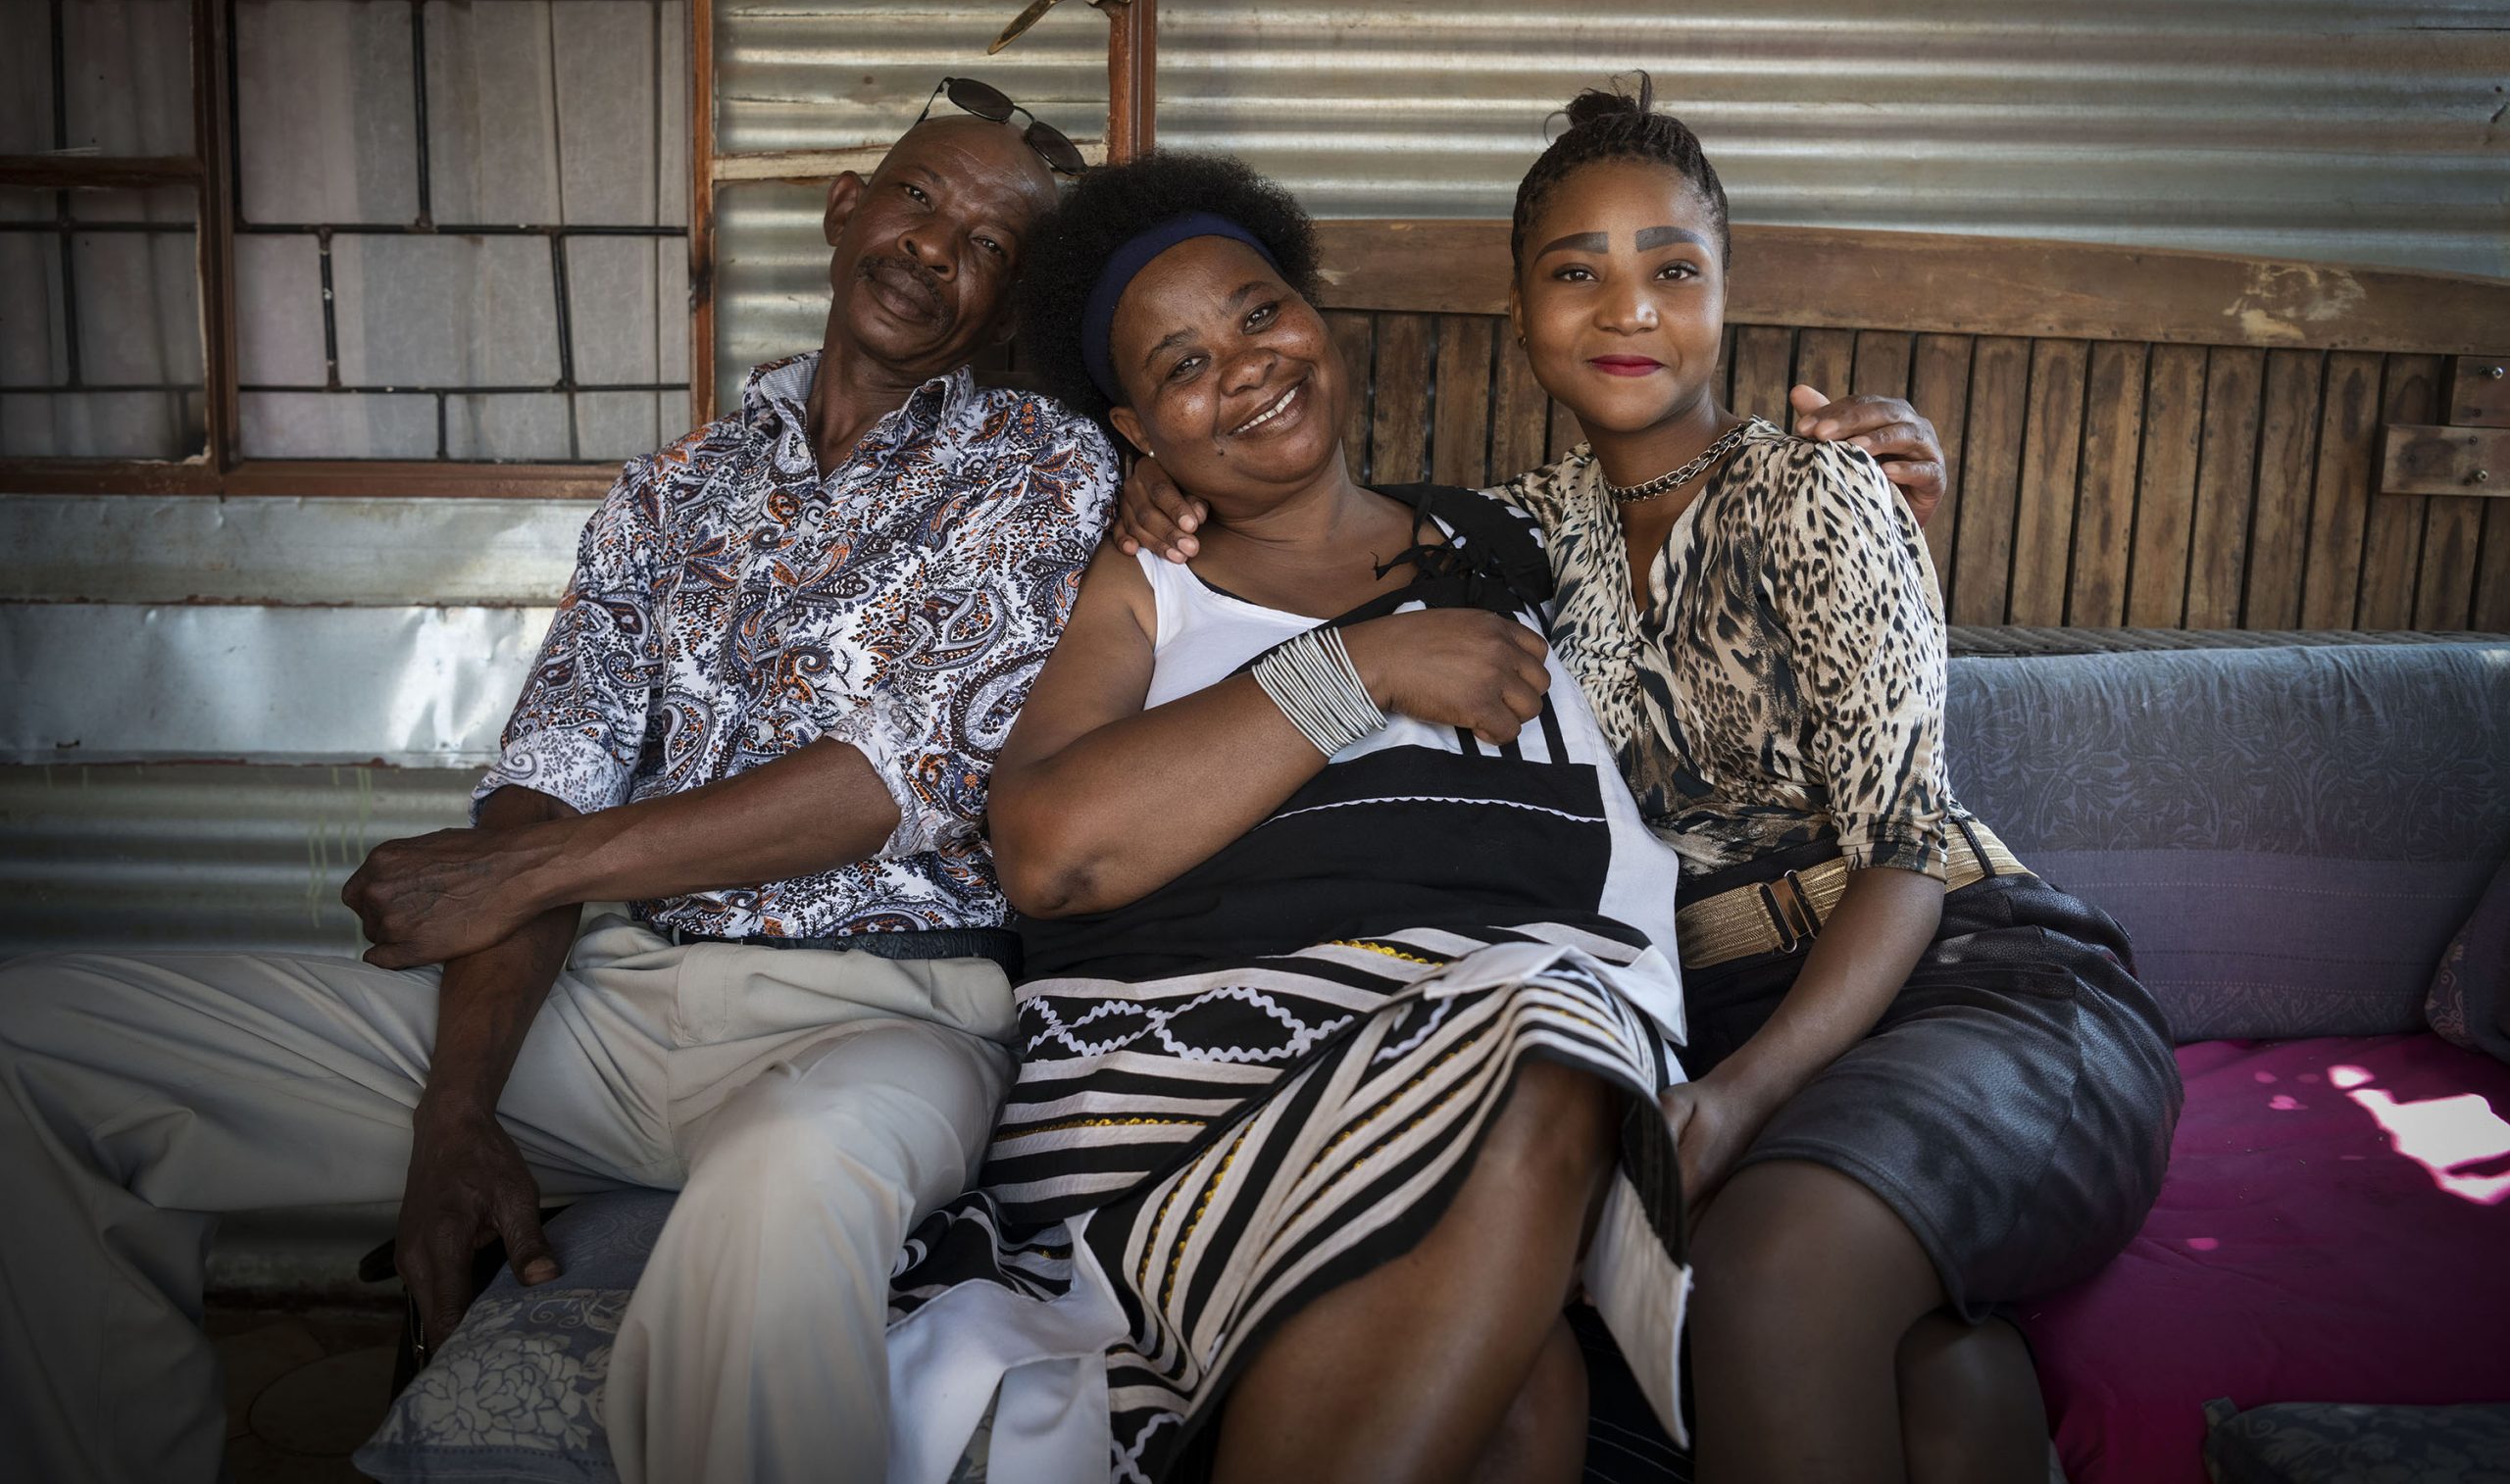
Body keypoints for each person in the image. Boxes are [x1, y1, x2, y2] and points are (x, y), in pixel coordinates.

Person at [0, 83, 1118, 1484]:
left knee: (791, 1182)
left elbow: (887, 783)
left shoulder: (1033, 467)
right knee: (35, 1047)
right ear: (848, 207)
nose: (935, 246)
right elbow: (544, 787)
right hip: (615, 1007)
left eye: (991, 244)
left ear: (1009, 304)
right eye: (918, 199)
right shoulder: (669, 492)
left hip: (882, 1015)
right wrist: (457, 1109)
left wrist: (526, 870)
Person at [1122, 81, 2183, 1484]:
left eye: (1671, 270)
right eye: (1578, 273)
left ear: (1728, 293)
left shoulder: (1815, 489)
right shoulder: (1507, 540)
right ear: (1520, 313)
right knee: (1870, 1363)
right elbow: (1310, 541)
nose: (1628, 311)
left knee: (1775, 1270)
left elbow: (1910, 847)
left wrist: (1738, 1104)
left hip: (1966, 979)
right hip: (1705, 1017)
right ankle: (1964, 1376)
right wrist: (1143, 500)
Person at [877, 154, 1694, 1484]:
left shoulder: (1512, 548)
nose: (1245, 367)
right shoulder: (1145, 586)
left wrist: (1857, 468)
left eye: (1259, 314)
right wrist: (1356, 670)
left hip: (1453, 1107)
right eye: (1183, 363)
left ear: (1315, 314)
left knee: (1528, 1396)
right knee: (1553, 1037)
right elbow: (1049, 849)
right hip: (1172, 1117)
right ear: (1136, 427)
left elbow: (1710, 525)